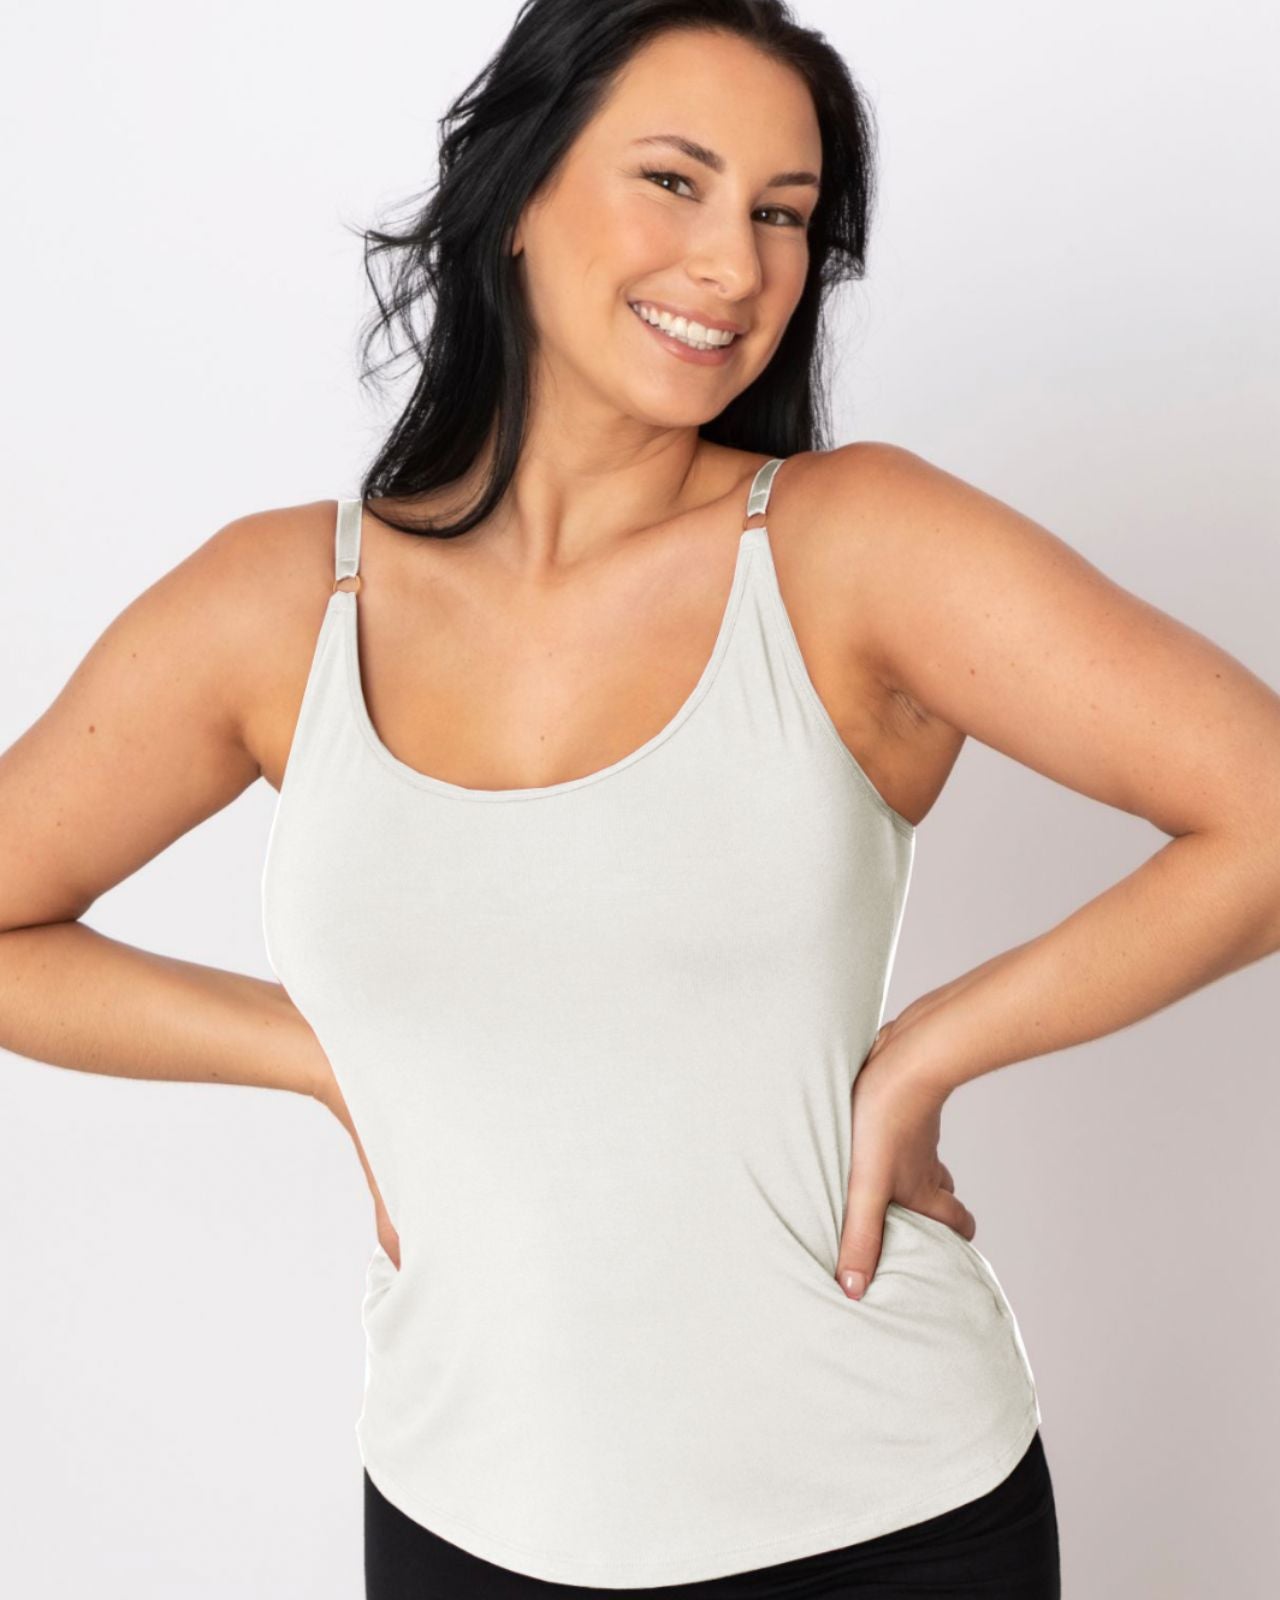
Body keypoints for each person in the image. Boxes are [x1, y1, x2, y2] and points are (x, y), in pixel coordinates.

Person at [3, 2, 1278, 1596]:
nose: (735, 264)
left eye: (783, 214)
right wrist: (318, 1059)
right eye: (675, 181)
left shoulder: (851, 546)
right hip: (460, 1513)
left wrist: (929, 1049)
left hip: (883, 1521)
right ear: (518, 192)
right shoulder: (283, 603)